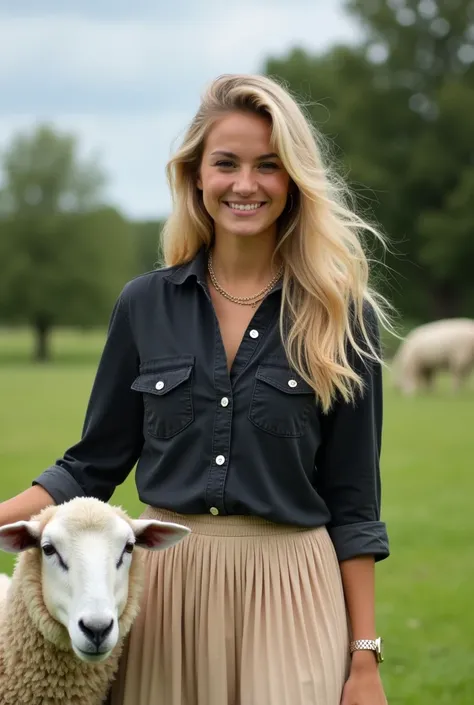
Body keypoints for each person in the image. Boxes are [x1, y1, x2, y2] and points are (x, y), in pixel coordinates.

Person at [0, 74, 391, 705]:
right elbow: (91, 466)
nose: (245, 184)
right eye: (226, 164)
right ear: (196, 177)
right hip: (166, 591)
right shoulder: (143, 305)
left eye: (269, 165)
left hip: (292, 591)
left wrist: (364, 659)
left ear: (293, 179)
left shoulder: (341, 315)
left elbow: (355, 504)